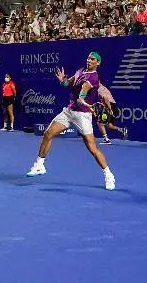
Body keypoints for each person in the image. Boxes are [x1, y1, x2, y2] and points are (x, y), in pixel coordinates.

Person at [26, 51, 115, 190]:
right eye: (88, 58)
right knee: (48, 134)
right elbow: (69, 83)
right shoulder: (80, 70)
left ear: (98, 63)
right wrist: (63, 81)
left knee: (92, 149)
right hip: (68, 112)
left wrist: (84, 102)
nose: (89, 60)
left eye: (93, 59)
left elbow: (82, 95)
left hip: (83, 116)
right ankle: (39, 165)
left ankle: (108, 174)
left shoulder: (93, 78)